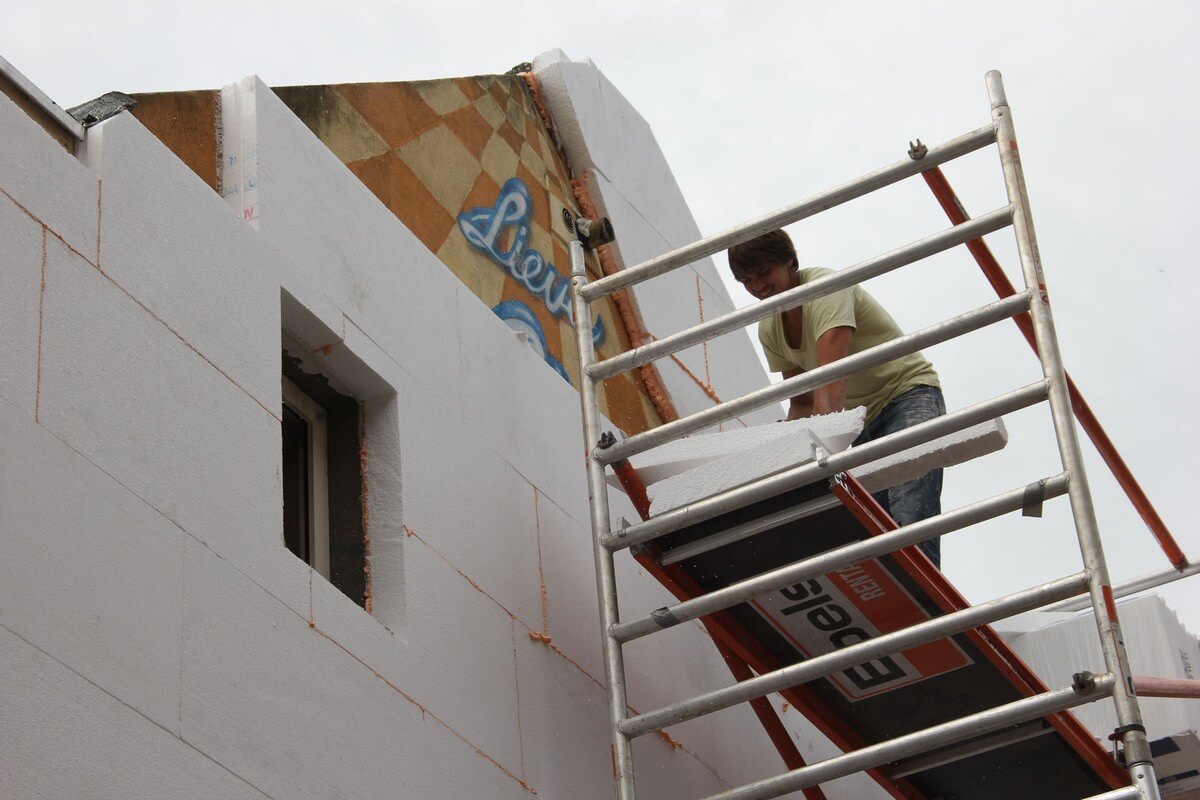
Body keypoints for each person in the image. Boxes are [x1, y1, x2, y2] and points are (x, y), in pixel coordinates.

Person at [728, 229, 946, 567]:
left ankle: (929, 608)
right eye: (746, 280)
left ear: (790, 262)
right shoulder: (770, 327)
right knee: (869, 525)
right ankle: (893, 609)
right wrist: (781, 461)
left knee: (909, 507)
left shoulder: (825, 288)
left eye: (763, 273)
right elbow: (801, 402)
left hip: (905, 396)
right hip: (855, 421)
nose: (757, 286)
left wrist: (820, 458)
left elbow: (831, 379)